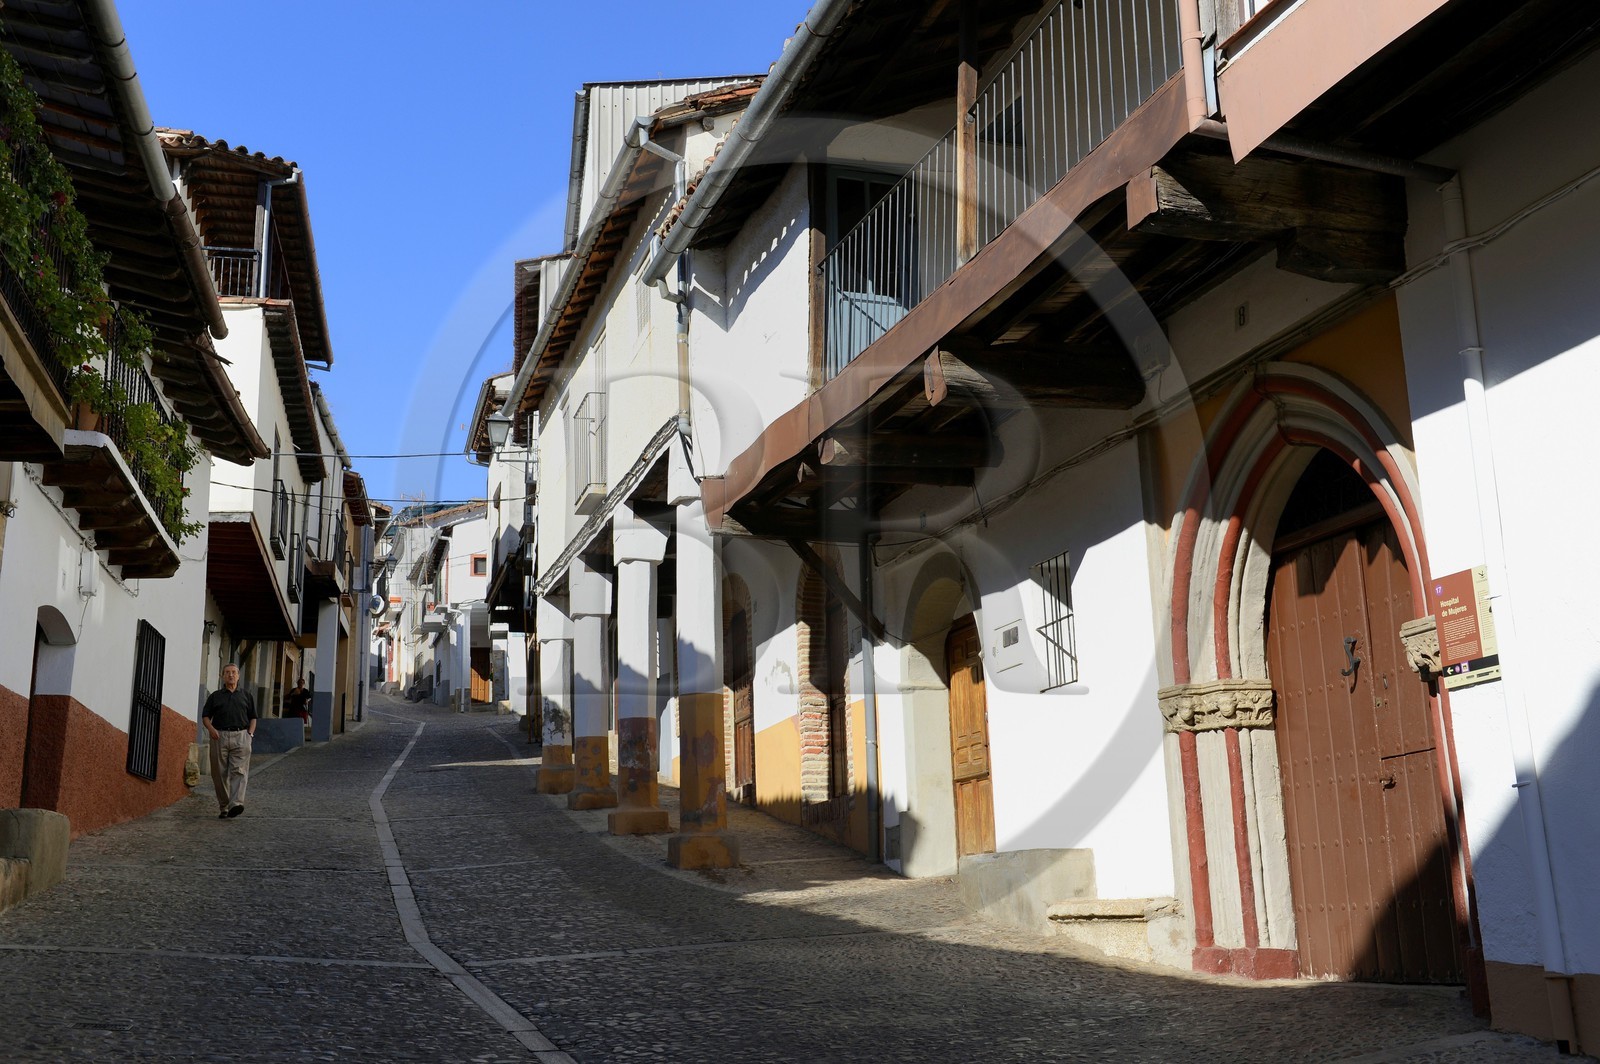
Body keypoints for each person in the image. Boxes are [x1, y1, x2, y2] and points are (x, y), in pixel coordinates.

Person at [202, 663, 257, 819]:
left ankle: (236, 804)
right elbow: (205, 716)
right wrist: (211, 730)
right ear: (222, 676)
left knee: (239, 771)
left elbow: (253, 717)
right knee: (219, 774)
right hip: (219, 736)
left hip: (241, 736)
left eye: (233, 672)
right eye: (227, 672)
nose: (230, 675)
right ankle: (224, 806)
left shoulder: (246, 696)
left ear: (238, 676)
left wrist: (250, 735)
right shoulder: (215, 696)